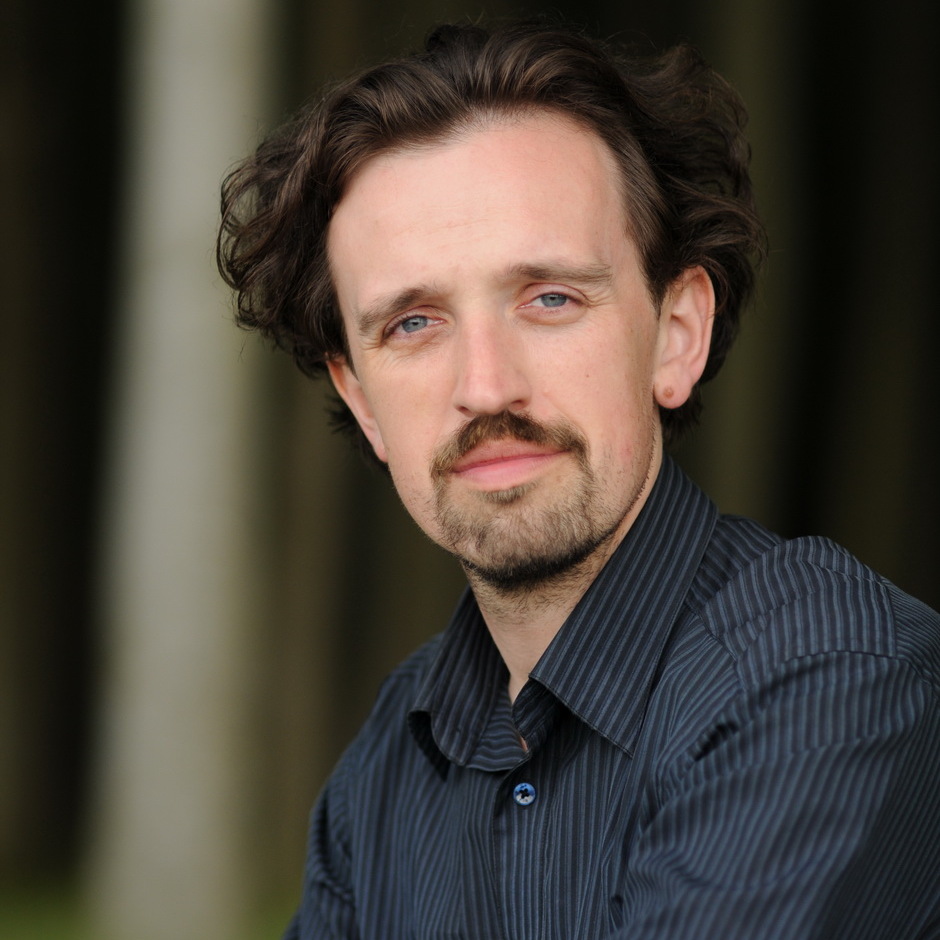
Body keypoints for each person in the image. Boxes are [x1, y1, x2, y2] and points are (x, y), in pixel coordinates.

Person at [217, 20, 940, 939]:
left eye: (550, 298)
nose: (487, 386)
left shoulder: (832, 677)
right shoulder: (395, 754)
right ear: (361, 399)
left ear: (676, 334)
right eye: (414, 324)